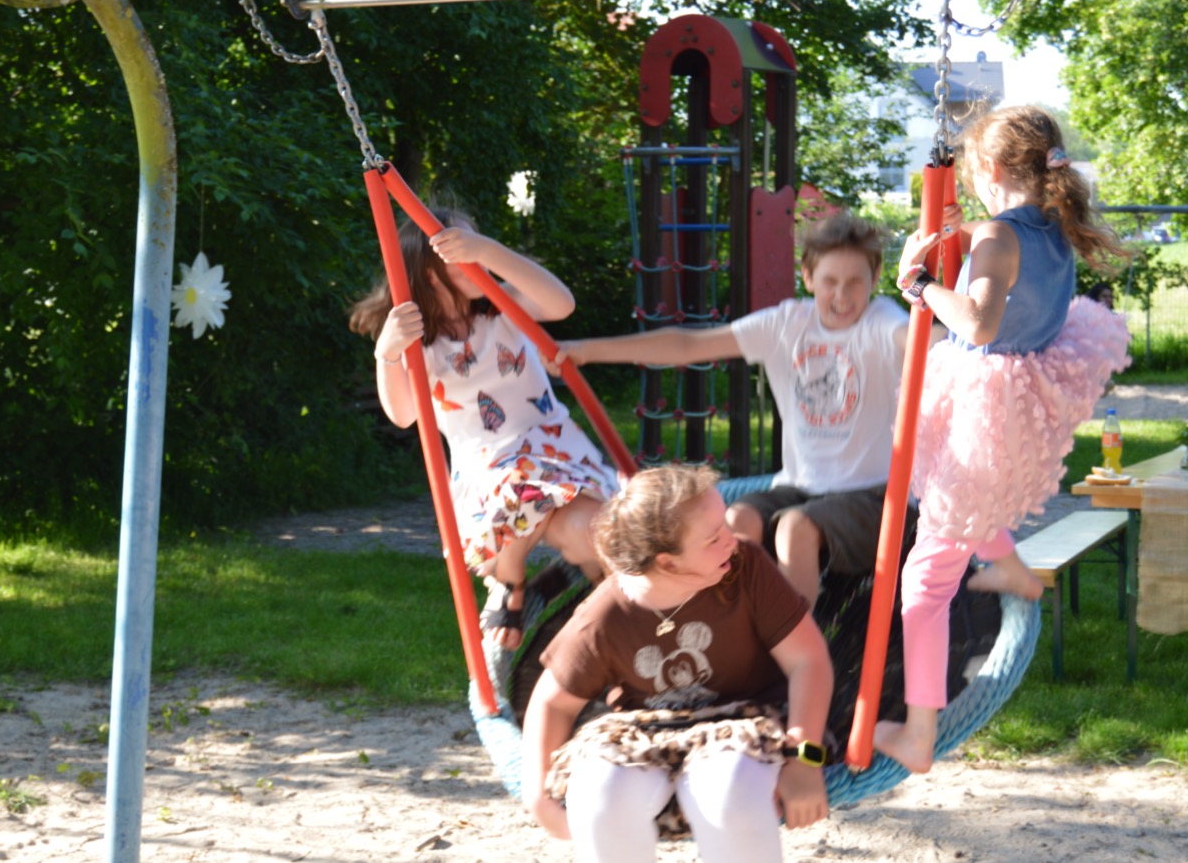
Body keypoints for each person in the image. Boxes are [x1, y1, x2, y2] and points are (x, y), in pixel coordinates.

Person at [874, 106, 1131, 774]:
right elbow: (1008, 281)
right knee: (971, 498)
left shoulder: (999, 235)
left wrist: (920, 284)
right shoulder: (1053, 227)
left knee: (925, 581)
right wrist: (963, 244)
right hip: (1023, 402)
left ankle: (918, 734)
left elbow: (980, 324)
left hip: (986, 405)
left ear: (988, 168)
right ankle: (1011, 567)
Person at [558, 212, 938, 604]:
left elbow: (916, 337)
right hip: (799, 487)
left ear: (875, 280)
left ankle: (799, 637)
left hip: (878, 497)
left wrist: (954, 330)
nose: (842, 295)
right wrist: (584, 351)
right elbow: (689, 345)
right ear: (808, 277)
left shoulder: (879, 321)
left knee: (794, 529)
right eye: (830, 281)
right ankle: (733, 622)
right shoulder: (787, 324)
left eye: (855, 282)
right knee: (736, 520)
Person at [522, 465, 832, 862]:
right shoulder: (605, 616)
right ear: (667, 563)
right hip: (645, 729)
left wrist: (805, 757)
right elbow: (552, 702)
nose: (731, 540)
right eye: (714, 537)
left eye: (725, 524)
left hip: (745, 720)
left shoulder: (744, 567)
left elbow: (808, 659)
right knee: (600, 798)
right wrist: (537, 796)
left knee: (731, 795)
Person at [349, 208, 619, 649]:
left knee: (599, 533)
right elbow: (402, 413)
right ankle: (510, 580)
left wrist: (490, 251)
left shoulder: (504, 306)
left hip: (557, 450)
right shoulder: (422, 344)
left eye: (476, 247)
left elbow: (562, 303)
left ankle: (600, 601)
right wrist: (388, 354)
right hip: (493, 466)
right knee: (520, 493)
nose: (477, 260)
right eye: (463, 254)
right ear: (431, 275)